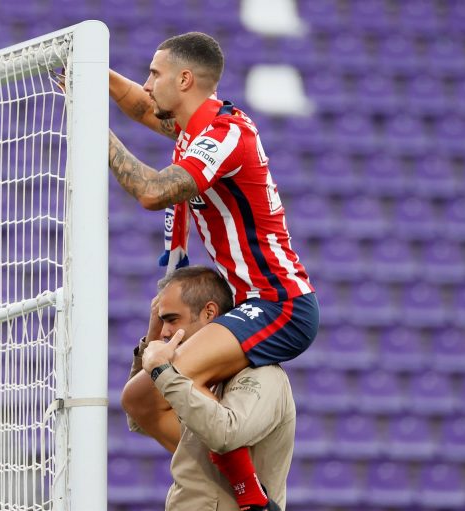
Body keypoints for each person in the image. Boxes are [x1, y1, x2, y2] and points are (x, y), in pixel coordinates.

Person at [109, 32, 319, 510]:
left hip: (280, 303)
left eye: (154, 74)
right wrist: (90, 76)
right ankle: (232, 484)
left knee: (168, 371)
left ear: (184, 79)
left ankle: (248, 497)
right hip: (251, 303)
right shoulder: (194, 130)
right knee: (139, 398)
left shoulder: (225, 134)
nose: (146, 83)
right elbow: (141, 107)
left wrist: (91, 134)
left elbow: (154, 191)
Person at [127, 266, 293, 511]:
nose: (165, 332)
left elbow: (225, 434)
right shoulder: (203, 382)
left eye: (171, 319)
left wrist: (162, 371)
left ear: (209, 313)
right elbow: (142, 414)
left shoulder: (262, 372)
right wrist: (151, 338)